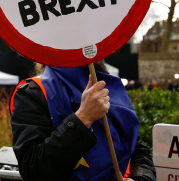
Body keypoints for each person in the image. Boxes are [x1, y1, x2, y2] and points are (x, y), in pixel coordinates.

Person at [10, 61, 156, 181]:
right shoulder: (32, 93)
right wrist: (83, 118)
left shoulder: (105, 86)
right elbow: (33, 169)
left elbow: (138, 150)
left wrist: (140, 178)